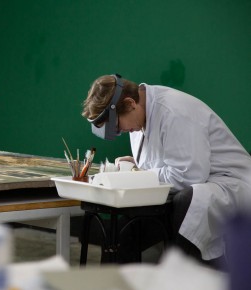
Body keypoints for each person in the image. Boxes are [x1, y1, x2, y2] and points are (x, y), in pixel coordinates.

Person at [82, 74, 251, 267]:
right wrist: (137, 167)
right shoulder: (139, 116)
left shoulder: (174, 111)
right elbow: (165, 163)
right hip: (190, 187)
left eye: (118, 126)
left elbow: (189, 175)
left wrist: (139, 176)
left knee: (189, 201)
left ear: (130, 103)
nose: (120, 132)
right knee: (122, 236)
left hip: (232, 186)